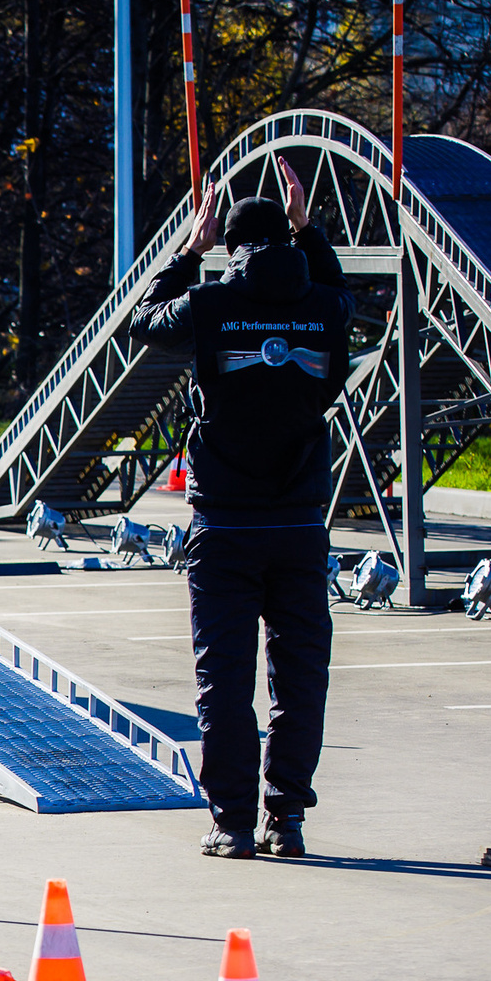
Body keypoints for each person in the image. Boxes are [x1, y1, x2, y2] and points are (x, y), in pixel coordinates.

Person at [130, 161, 354, 858]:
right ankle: (285, 818)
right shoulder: (323, 306)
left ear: (229, 245)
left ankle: (230, 822)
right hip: (298, 521)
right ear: (286, 236)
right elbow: (339, 294)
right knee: (300, 676)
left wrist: (186, 254)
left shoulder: (211, 305)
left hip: (223, 523)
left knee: (222, 680)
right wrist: (310, 231)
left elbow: (142, 323)